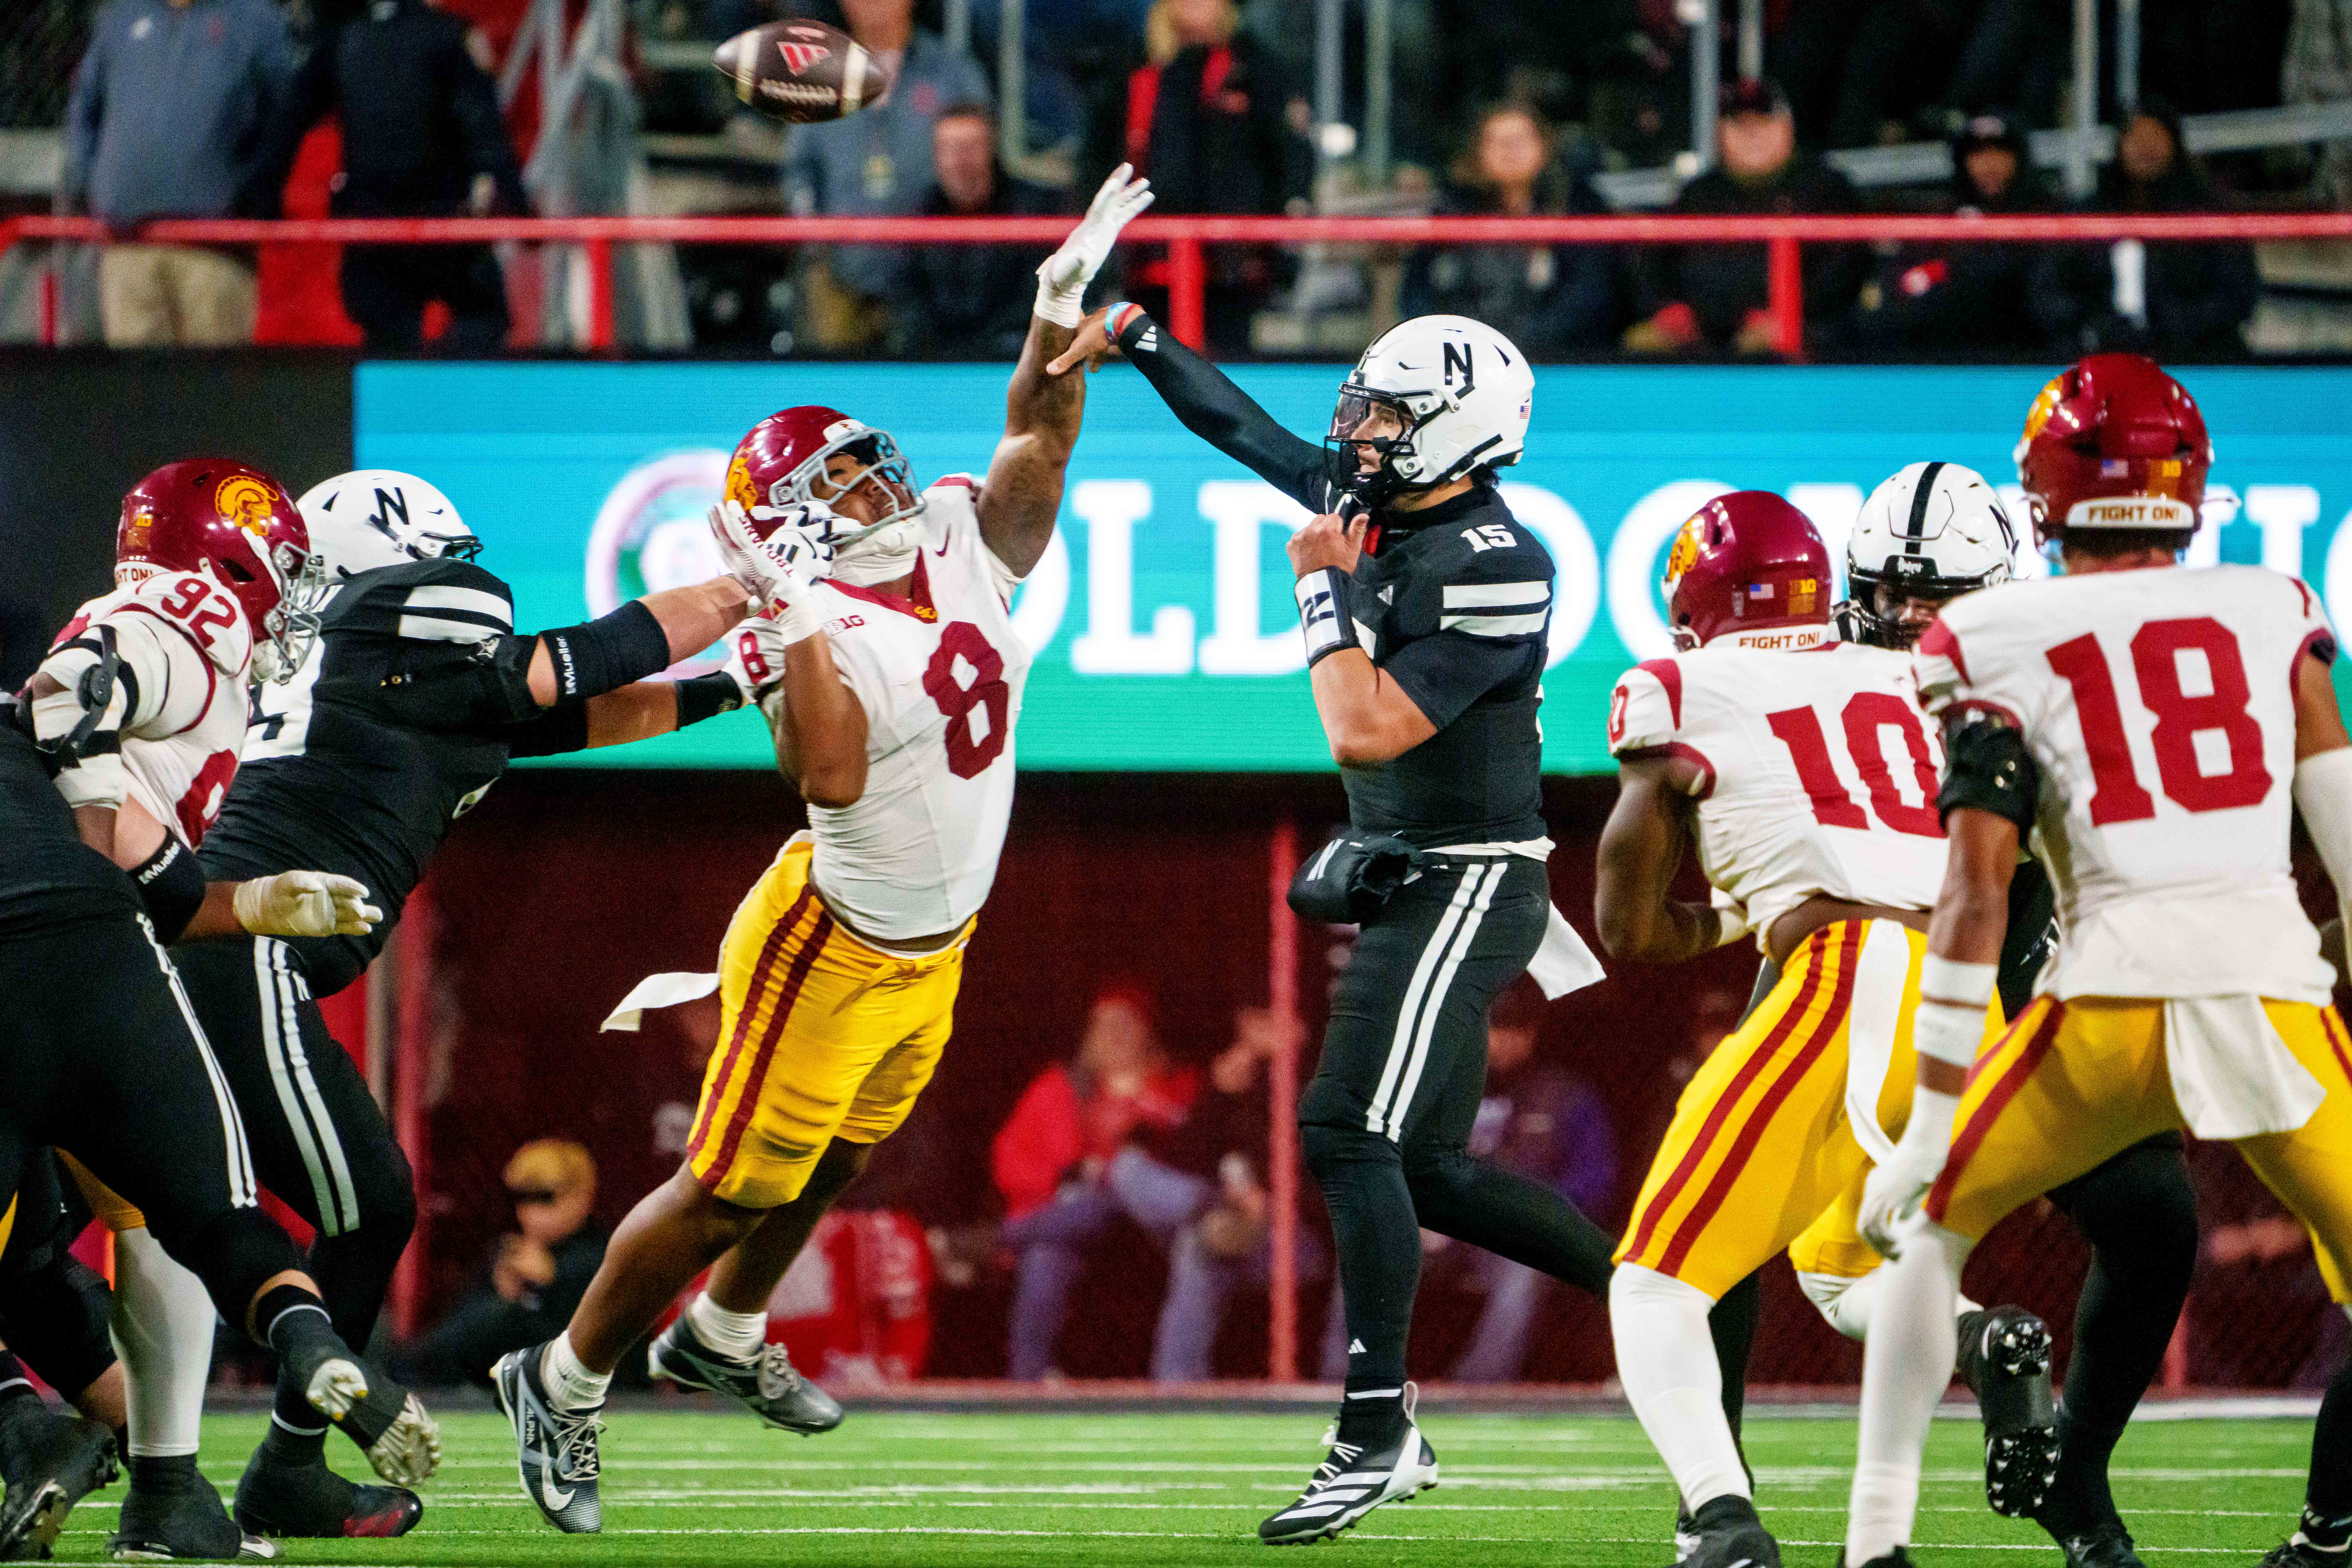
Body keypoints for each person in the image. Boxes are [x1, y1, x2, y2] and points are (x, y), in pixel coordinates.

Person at [494, 166, 1156, 1535]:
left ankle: (723, 1336)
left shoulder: (961, 540)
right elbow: (826, 772)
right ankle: (559, 1374)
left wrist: (1052, 311)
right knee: (731, 1180)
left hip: (936, 944)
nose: (876, 482)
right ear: (782, 521)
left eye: (868, 460)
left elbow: (1037, 442)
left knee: (842, 1158)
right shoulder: (810, 628)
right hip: (832, 939)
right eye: (838, 478)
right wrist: (791, 611)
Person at [1045, 305, 1613, 1544]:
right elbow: (1240, 426)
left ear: (1460, 431)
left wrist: (1317, 589)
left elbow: (1361, 729)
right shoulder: (1383, 503)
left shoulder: (1493, 556)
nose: (1357, 430)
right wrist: (1138, 335)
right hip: (1415, 867)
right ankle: (1661, 1287)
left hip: (1467, 875)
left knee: (1344, 1128)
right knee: (1425, 1167)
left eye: (1389, 413)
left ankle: (1373, 1428)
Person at [153, 467, 754, 1542]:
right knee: (363, 1200)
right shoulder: (391, 619)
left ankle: (267, 1460)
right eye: (444, 552)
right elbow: (584, 657)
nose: (463, 576)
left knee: (320, 1207)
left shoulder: (400, 675)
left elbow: (585, 711)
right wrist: (751, 584)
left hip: (226, 952)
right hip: (240, 950)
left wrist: (739, 684)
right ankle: (248, 1456)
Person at [1841, 353, 2352, 1568]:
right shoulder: (2272, 601)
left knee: (1925, 1222)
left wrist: (1930, 1119)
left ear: (2042, 499)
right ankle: (2326, 1528)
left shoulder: (1991, 635)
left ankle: (1878, 1540)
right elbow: (2338, 808)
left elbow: (1974, 890)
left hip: (2090, 990)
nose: (1917, 615)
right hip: (2264, 985)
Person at [1688, 462, 2206, 1568]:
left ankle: (2062, 1471)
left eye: (1940, 598)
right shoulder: (1868, 684)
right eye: (1892, 594)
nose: (1913, 620)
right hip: (1931, 986)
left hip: (1987, 987)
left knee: (2147, 1218)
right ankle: (1726, 1494)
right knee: (1752, 1234)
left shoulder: (2032, 688)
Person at [1595, 486, 2060, 1568]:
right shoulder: (1922, 679)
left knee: (1653, 1284)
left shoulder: (1682, 682)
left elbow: (1628, 926)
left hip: (1852, 976)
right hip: (1966, 1000)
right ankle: (1986, 1336)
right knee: (1847, 1276)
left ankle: (1718, 1521)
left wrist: (1733, 913)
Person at [0, 465, 443, 1558]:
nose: (294, 598)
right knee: (182, 1211)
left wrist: (244, 901)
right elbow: (69, 698)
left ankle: (99, 1463)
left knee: (111, 1227)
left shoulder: (192, 656)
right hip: (79, 953)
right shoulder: (180, 617)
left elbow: (133, 837)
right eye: (280, 569)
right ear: (229, 560)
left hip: (73, 943)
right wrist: (118, 848)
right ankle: (148, 1472)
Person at [245, 0, 527, 353]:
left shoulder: (341, 40)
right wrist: (520, 206)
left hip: (372, 231)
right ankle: (454, 397)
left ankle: (409, 398)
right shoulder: (444, 35)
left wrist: (265, 195)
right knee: (482, 321)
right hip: (444, 227)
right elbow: (484, 131)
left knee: (390, 347)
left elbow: (289, 120)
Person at [991, 985, 1200, 1380]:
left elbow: (1178, 1162)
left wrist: (1136, 1107)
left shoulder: (1175, 1086)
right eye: (1103, 1025)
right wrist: (1058, 1177)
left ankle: (1003, 1236)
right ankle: (1027, 1386)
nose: (1114, 1035)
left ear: (1147, 1031)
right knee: (1045, 1253)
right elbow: (1009, 1162)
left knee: (1114, 1187)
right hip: (1076, 1225)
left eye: (1125, 1024)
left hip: (1145, 1228)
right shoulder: (1060, 1087)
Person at [58, 0, 296, 347]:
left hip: (215, 252)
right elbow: (84, 111)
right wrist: (87, 182)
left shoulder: (254, 19)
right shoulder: (119, 17)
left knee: (214, 390)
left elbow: (284, 119)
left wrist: (255, 192)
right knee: (136, 394)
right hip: (128, 246)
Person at [782, 0, 991, 353]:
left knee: (928, 383)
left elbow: (983, 164)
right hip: (840, 269)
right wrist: (812, 234)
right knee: (832, 387)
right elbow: (799, 171)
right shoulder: (819, 77)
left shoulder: (952, 72)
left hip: (933, 273)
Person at [1442, 980, 1616, 1383]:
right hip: (1450, 1229)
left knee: (1521, 1267)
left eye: (1516, 1030)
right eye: (1496, 1028)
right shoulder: (1443, 1088)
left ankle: (1473, 1388)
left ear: (1532, 1034)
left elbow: (1598, 1178)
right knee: (1375, 1247)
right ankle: (1346, 1382)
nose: (1504, 1040)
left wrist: (1537, 1208)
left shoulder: (1567, 1095)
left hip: (1524, 1233)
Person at [1625, 78, 1867, 358]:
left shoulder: (1827, 189)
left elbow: (1846, 272)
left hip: (1802, 326)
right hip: (1703, 328)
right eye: (1738, 124)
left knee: (1764, 349)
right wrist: (1669, 308)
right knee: (1642, 344)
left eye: (1764, 122)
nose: (1752, 133)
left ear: (1788, 126)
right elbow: (1654, 260)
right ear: (1720, 133)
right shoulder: (1700, 192)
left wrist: (1791, 317)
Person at [1143, 1006, 1322, 1383]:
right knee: (1134, 1173)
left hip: (1300, 1239)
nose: (1262, 1032)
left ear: (1301, 1028)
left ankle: (1175, 1384)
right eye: (1255, 1020)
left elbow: (1342, 1191)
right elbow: (1183, 1162)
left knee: (1200, 1241)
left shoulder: (1326, 1088)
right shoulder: (1236, 1087)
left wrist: (1274, 1205)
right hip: (1229, 1225)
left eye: (1275, 1020)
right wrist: (1218, 1096)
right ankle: (1178, 1390)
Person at [1131, 0, 1313, 352]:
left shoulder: (1257, 67)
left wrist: (1281, 246)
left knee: (1227, 373)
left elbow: (1290, 157)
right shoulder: (1134, 67)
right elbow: (1104, 156)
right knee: (1153, 373)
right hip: (1148, 259)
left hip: (1233, 265)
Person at [2029, 102, 2261, 361]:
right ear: (2120, 146)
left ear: (2175, 145)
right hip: (2095, 359)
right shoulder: (2085, 215)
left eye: (2156, 137)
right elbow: (2049, 290)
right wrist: (2091, 328)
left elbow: (2237, 294)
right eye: (2137, 138)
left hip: (2194, 359)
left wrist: (2179, 325)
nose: (2146, 148)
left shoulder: (2210, 214)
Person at [1401, 103, 1619, 358]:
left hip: (1557, 361)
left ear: (1545, 147)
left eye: (1522, 138)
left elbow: (1590, 296)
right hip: (1464, 361)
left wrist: (1519, 345)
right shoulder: (1451, 212)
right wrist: (1464, 343)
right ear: (1477, 153)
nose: (1510, 149)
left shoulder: (1577, 207)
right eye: (1496, 140)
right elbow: (1418, 295)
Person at [395, 1142, 606, 1389]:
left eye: (545, 1198)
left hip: (580, 1387)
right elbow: (458, 1330)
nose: (531, 1212)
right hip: (490, 1381)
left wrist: (554, 1281)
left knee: (504, 1320)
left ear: (582, 1197)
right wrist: (504, 1293)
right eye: (524, 1199)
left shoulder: (602, 1257)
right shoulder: (509, 1253)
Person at [1837, 111, 2046, 357]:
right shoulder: (1940, 220)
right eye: (1978, 153)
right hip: (1944, 353)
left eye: (2001, 151)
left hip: (2023, 354)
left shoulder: (2047, 218)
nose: (1990, 163)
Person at [901, 104, 1067, 359]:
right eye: (950, 149)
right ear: (936, 157)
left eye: (970, 147)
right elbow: (908, 296)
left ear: (991, 150)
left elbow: (1034, 296)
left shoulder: (1033, 211)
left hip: (1011, 353)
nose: (960, 160)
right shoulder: (918, 214)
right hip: (935, 357)